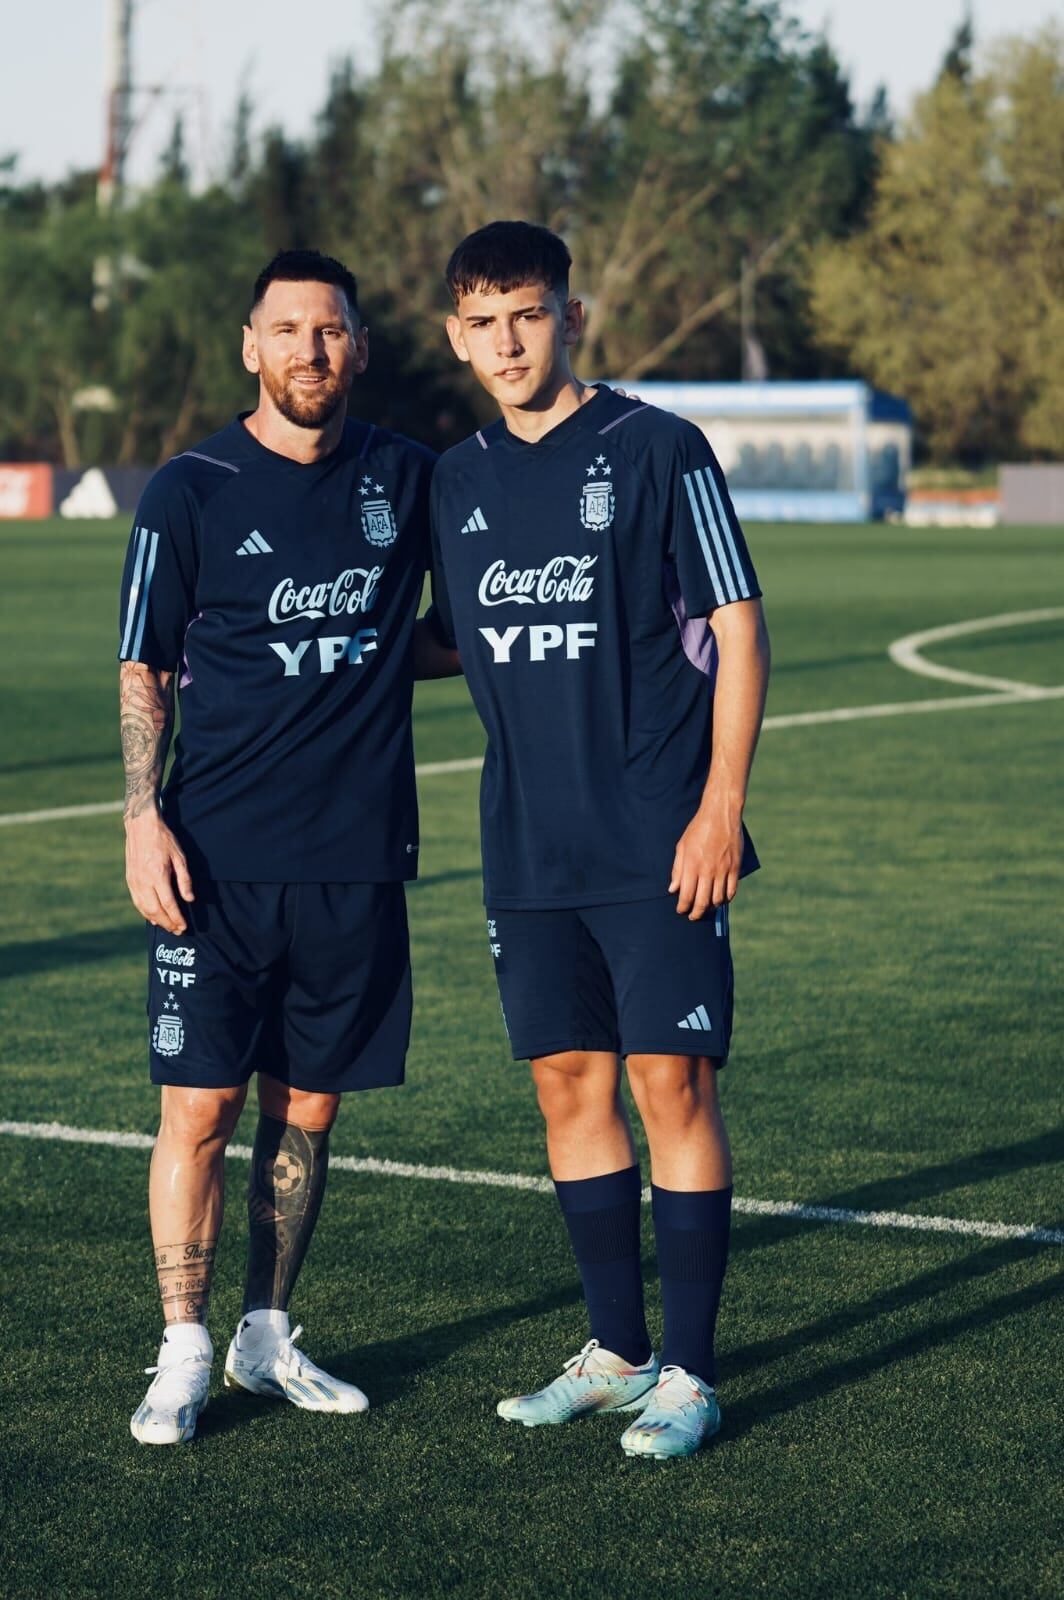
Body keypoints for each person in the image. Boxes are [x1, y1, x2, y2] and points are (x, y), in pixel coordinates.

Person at [421, 221, 771, 1460]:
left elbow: (736, 622)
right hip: (526, 844)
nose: (506, 340)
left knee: (667, 1083)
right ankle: (616, 1351)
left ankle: (690, 1373)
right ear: (454, 337)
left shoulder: (656, 447)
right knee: (567, 1087)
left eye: (527, 312)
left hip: (656, 835)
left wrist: (719, 804)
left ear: (570, 312)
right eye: (482, 320)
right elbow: (438, 635)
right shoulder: (451, 479)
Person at [119, 249, 435, 1444]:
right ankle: (183, 1348)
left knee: (306, 1112)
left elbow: (457, 629)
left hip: (356, 859)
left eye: (332, 330)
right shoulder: (188, 487)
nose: (311, 349)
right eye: (287, 329)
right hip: (214, 861)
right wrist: (144, 817)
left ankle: (265, 1332)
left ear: (359, 347)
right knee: (196, 1110)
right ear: (249, 345)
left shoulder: (405, 477)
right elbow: (144, 666)